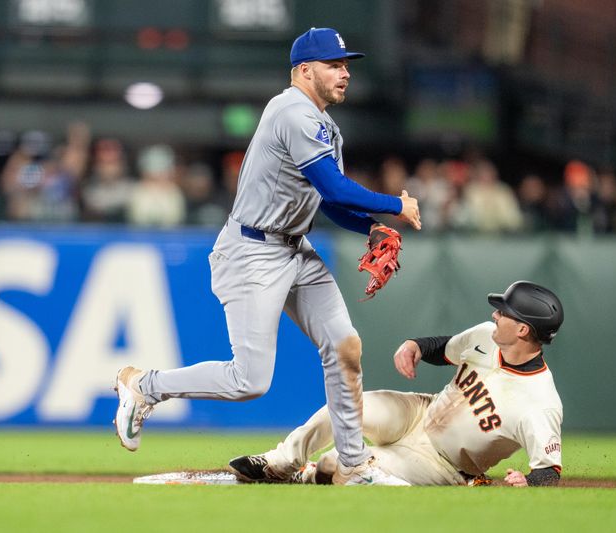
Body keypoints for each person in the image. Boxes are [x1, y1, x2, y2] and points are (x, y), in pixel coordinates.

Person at [113, 27, 421, 486]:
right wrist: (395, 206)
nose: (345, 73)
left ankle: (355, 466)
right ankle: (144, 386)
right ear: (304, 70)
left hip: (296, 247)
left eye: (347, 65)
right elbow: (336, 187)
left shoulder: (324, 124)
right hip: (252, 251)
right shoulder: (292, 112)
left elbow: (330, 202)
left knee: (345, 347)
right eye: (334, 64)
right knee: (249, 380)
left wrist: (370, 227)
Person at [229, 281, 564, 487]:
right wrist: (416, 346)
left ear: (523, 330)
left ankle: (312, 473)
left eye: (504, 312)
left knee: (342, 465)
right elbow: (444, 348)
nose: (495, 314)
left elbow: (548, 470)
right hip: (420, 412)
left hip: (444, 465)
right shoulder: (486, 337)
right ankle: (279, 462)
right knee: (348, 406)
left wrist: (530, 481)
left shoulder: (540, 402)